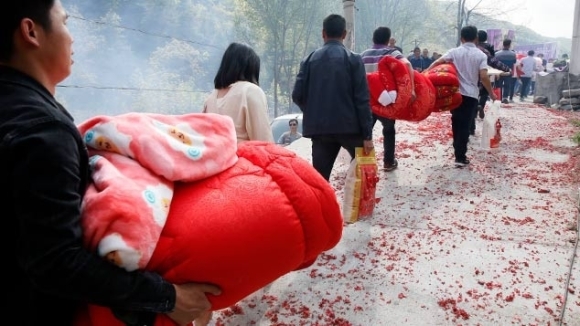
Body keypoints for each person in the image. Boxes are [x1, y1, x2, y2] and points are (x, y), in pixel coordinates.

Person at [0, 1, 221, 325]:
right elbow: (56, 263)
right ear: (31, 31)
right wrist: (167, 296)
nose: (72, 38)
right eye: (65, 22)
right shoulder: (43, 132)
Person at [292, 14, 374, 181]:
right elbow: (362, 99)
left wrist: (314, 110)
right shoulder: (353, 59)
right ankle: (357, 207)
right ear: (344, 34)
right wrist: (367, 136)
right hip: (350, 128)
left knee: (321, 180)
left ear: (323, 33)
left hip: (320, 130)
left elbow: (297, 95)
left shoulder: (308, 60)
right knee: (362, 175)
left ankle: (324, 207)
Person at [425, 25, 497, 167]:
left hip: (455, 93)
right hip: (471, 94)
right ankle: (460, 156)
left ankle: (457, 149)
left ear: (461, 38)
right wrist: (491, 93)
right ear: (476, 38)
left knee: (456, 121)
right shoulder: (480, 55)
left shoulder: (454, 52)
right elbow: (483, 76)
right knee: (465, 124)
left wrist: (425, 74)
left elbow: (438, 62)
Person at [361, 26, 416, 172]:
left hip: (367, 101)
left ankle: (363, 163)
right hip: (386, 100)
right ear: (388, 39)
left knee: (365, 132)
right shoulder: (392, 52)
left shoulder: (364, 54)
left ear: (373, 39)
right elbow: (408, 64)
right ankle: (388, 162)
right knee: (389, 130)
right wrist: (411, 89)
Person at [203, 42, 274, 143]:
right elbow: (264, 141)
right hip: (242, 157)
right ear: (251, 69)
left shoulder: (210, 98)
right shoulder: (250, 91)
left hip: (216, 158)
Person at [471, 30, 510, 130]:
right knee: (484, 92)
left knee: (471, 97)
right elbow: (493, 61)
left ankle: (471, 125)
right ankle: (480, 105)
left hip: (469, 78)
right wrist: (507, 69)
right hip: (485, 73)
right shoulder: (487, 49)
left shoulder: (465, 49)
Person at [495, 39, 517, 104]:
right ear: (509, 45)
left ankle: (498, 98)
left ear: (503, 44)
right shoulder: (513, 54)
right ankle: (505, 98)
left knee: (499, 85)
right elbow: (514, 62)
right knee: (507, 85)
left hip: (499, 72)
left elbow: (495, 63)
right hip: (508, 71)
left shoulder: (497, 54)